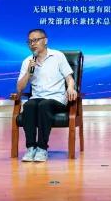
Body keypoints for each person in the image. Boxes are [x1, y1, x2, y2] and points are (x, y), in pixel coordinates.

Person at [16, 29, 77, 162]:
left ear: (45, 41)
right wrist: (28, 73)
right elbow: (19, 88)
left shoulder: (58, 56)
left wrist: (71, 88)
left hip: (56, 99)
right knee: (29, 105)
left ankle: (42, 148)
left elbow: (69, 78)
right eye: (29, 41)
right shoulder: (27, 61)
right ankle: (31, 148)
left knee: (44, 104)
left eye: (36, 40)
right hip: (36, 98)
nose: (32, 44)